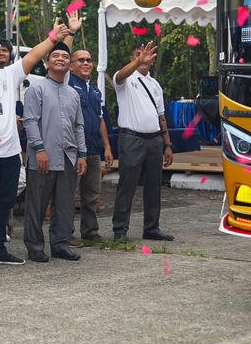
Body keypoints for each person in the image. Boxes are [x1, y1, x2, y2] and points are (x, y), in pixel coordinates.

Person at [0, 11, 80, 270]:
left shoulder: (8, 74)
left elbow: (35, 55)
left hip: (10, 152)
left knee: (4, 203)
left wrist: (56, 37)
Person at [23, 43, 87, 263]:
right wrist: (39, 149)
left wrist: (82, 155)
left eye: (65, 56)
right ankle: (35, 246)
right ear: (47, 62)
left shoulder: (73, 94)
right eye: (56, 55)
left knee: (65, 205)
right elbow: (30, 121)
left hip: (68, 158)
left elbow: (79, 126)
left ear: (69, 64)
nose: (60, 59)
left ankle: (60, 245)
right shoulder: (37, 89)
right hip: (43, 158)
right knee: (36, 205)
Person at [112, 42, 175, 242]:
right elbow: (121, 75)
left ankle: (151, 227)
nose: (143, 58)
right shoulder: (125, 79)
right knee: (127, 185)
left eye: (146, 55)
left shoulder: (155, 84)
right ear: (132, 58)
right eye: (138, 55)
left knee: (154, 185)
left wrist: (167, 144)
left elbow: (161, 116)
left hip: (154, 139)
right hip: (132, 138)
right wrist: (137, 62)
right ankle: (120, 230)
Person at [68, 48, 114, 243]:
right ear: (71, 65)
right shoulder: (67, 83)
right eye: (80, 60)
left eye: (89, 60)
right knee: (68, 193)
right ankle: (66, 233)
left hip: (94, 149)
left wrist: (107, 147)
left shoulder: (95, 89)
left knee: (92, 193)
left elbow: (100, 119)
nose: (86, 63)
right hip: (74, 150)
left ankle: (90, 231)